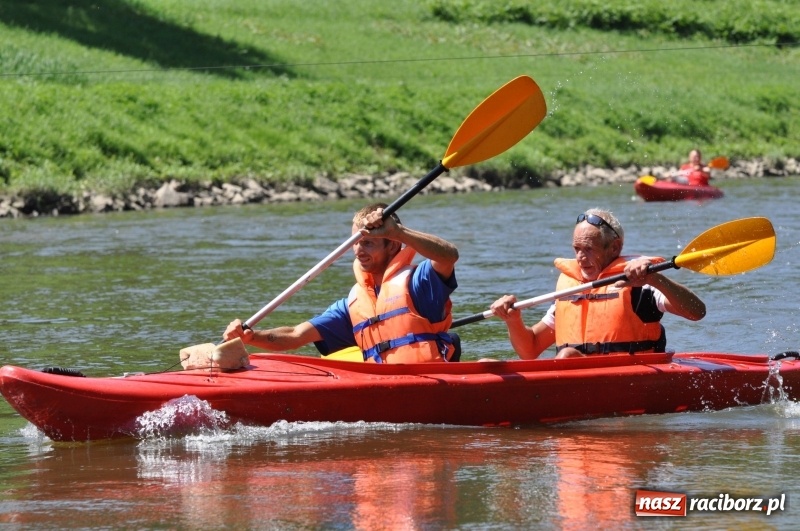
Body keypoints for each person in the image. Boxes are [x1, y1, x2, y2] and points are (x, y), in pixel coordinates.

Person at [223, 202, 460, 363]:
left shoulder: (419, 282)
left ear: (392, 245)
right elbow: (295, 335)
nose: (358, 250)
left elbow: (449, 256)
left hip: (430, 380)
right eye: (355, 243)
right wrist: (251, 337)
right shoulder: (353, 305)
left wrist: (398, 231)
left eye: (368, 243)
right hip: (383, 387)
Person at [489, 208, 706, 359]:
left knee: (566, 357)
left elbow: (696, 312)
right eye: (577, 249)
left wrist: (655, 278)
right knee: (487, 365)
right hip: (576, 376)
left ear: (614, 248)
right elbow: (530, 350)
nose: (581, 257)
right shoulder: (572, 288)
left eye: (589, 249)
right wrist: (513, 320)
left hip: (629, 377)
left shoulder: (641, 283)